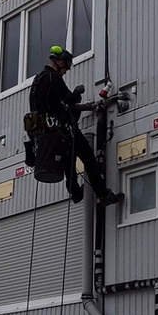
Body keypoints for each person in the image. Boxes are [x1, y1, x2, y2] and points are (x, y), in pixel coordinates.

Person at [28, 45, 124, 206]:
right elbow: (69, 99)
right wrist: (77, 93)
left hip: (46, 132)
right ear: (58, 62)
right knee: (87, 156)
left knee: (68, 159)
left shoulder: (37, 81)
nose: (66, 71)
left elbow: (51, 105)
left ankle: (75, 191)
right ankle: (102, 195)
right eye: (65, 67)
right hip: (62, 128)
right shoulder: (53, 78)